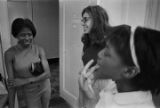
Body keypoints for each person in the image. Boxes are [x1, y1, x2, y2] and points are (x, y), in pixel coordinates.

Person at [79, 24, 160, 108]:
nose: (99, 54)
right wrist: (86, 96)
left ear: (129, 71)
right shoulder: (116, 85)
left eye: (107, 54)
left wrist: (89, 102)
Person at [5, 18, 51, 108]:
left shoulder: (39, 49)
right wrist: (11, 106)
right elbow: (12, 84)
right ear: (16, 35)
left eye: (29, 35)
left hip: (45, 87)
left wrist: (26, 81)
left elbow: (48, 74)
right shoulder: (9, 54)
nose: (27, 38)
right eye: (22, 35)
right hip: (29, 92)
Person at [79, 5, 111, 108]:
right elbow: (87, 60)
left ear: (97, 20)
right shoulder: (87, 40)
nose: (82, 23)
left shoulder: (109, 42)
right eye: (82, 20)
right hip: (85, 83)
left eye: (85, 19)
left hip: (101, 88)